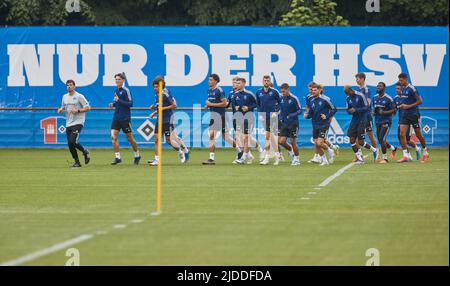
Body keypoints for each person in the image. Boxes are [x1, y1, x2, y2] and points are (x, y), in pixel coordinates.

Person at [148, 76, 190, 166]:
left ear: (161, 86)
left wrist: (162, 108)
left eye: (157, 87)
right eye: (154, 87)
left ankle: (183, 150)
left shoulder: (165, 94)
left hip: (168, 119)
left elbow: (174, 105)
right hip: (160, 119)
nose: (155, 88)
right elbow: (159, 105)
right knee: (156, 139)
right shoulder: (157, 94)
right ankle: (157, 160)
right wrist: (154, 110)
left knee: (170, 140)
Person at [203, 74, 236, 165]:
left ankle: (241, 150)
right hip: (213, 116)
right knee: (214, 136)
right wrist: (207, 105)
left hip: (220, 116)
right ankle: (211, 158)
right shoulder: (209, 90)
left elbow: (224, 103)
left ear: (216, 81)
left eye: (211, 80)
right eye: (209, 79)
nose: (209, 81)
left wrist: (211, 105)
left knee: (224, 137)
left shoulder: (219, 90)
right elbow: (211, 102)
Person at [109, 73, 141, 165]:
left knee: (130, 138)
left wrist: (119, 101)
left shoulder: (126, 90)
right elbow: (118, 103)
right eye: (116, 79)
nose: (117, 81)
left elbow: (130, 104)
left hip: (125, 118)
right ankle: (117, 157)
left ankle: (137, 155)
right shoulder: (116, 91)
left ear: (123, 80)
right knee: (113, 137)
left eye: (119, 79)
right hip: (116, 118)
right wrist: (113, 104)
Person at [396, 73, 429, 163]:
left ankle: (425, 152)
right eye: (399, 80)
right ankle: (406, 155)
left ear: (406, 79)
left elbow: (420, 101)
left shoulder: (412, 88)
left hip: (414, 115)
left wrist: (408, 106)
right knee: (401, 134)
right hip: (404, 115)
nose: (400, 82)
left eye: (401, 80)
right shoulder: (402, 89)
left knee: (419, 135)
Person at [57, 79, 91, 167]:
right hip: (68, 123)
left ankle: (84, 151)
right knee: (70, 144)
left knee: (72, 141)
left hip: (78, 122)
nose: (69, 86)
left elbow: (88, 107)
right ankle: (77, 162)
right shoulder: (64, 96)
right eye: (67, 85)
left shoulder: (79, 96)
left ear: (74, 86)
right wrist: (61, 109)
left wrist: (78, 110)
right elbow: (63, 107)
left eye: (71, 85)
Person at [304, 84, 337, 166]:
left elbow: (334, 109)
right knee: (316, 143)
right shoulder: (311, 100)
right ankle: (325, 160)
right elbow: (311, 113)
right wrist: (307, 116)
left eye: (315, 90)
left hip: (324, 124)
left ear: (319, 90)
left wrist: (327, 116)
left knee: (319, 143)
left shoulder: (325, 99)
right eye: (312, 90)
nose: (313, 92)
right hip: (315, 124)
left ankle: (330, 150)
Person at [344, 85, 378, 163]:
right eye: (346, 94)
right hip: (354, 120)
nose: (348, 95)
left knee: (361, 142)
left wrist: (356, 110)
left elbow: (367, 107)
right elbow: (348, 109)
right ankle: (360, 158)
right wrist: (350, 111)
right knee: (352, 140)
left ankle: (374, 150)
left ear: (351, 90)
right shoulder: (348, 98)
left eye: (348, 93)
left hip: (363, 120)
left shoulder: (360, 95)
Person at [256, 75, 281, 165]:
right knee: (271, 138)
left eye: (268, 80)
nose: (266, 82)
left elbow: (280, 103)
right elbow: (258, 104)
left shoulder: (274, 92)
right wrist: (259, 113)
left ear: (270, 81)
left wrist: (276, 112)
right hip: (264, 117)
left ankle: (267, 158)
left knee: (268, 137)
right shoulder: (259, 92)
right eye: (265, 80)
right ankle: (278, 156)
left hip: (273, 117)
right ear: (262, 81)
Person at [276, 83, 302, 166]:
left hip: (293, 124)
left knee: (293, 141)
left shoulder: (294, 98)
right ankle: (291, 151)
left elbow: (300, 110)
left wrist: (292, 115)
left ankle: (297, 159)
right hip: (284, 124)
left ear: (288, 89)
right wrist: (279, 117)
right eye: (282, 91)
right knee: (281, 141)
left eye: (284, 91)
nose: (283, 93)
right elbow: (281, 110)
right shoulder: (282, 98)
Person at [393, 82, 420, 161]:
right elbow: (394, 109)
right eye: (396, 89)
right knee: (401, 137)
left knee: (406, 139)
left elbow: (417, 103)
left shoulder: (407, 98)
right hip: (401, 120)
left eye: (398, 88)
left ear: (403, 89)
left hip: (409, 120)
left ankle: (416, 148)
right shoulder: (395, 98)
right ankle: (408, 155)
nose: (397, 90)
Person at [372, 82, 397, 163]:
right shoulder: (374, 97)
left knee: (382, 139)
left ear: (384, 87)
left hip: (386, 121)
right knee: (380, 140)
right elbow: (375, 109)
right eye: (377, 86)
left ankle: (385, 158)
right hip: (377, 121)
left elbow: (394, 110)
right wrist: (374, 112)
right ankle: (393, 148)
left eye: (380, 86)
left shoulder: (388, 98)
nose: (378, 87)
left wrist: (384, 113)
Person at [355, 72, 378, 159]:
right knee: (357, 137)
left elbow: (368, 103)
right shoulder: (357, 90)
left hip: (366, 116)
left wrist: (358, 109)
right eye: (356, 79)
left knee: (371, 136)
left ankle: (377, 155)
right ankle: (359, 156)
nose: (356, 80)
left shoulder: (366, 90)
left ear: (362, 79)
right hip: (359, 117)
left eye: (358, 79)